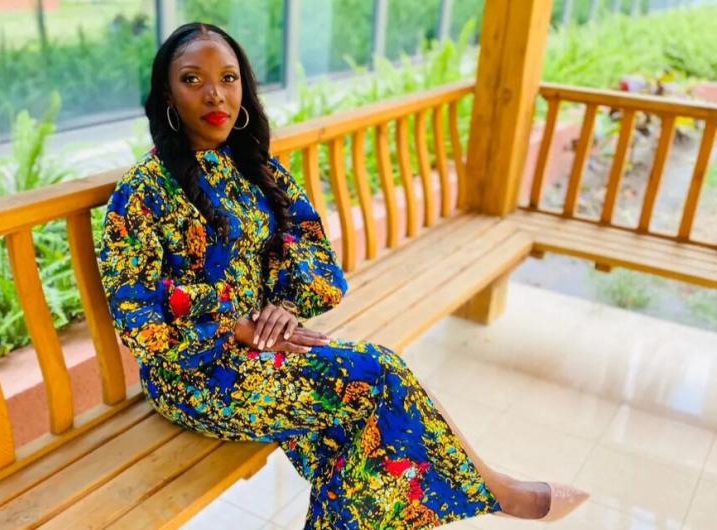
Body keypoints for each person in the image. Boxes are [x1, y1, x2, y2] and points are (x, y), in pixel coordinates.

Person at [97, 21, 589, 529]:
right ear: (167, 95)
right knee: (377, 374)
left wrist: (285, 305)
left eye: (228, 77)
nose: (215, 94)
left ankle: (493, 492)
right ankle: (500, 491)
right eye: (192, 79)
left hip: (268, 351)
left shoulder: (254, 168)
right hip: (194, 374)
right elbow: (136, 315)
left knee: (361, 430)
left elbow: (312, 250)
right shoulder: (143, 191)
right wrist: (237, 326)